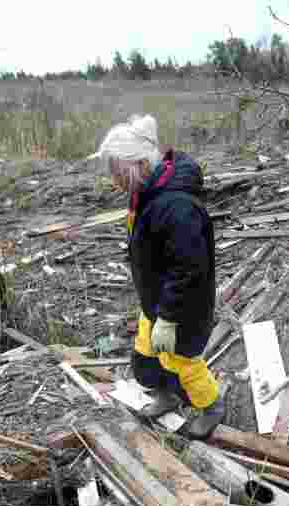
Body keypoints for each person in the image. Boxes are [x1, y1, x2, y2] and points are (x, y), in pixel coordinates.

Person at [90, 115, 225, 439]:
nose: (113, 179)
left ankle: (211, 407)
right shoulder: (147, 192)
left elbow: (189, 269)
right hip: (157, 301)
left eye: (117, 170)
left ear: (137, 164)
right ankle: (167, 396)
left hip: (181, 307)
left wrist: (168, 317)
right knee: (146, 358)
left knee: (183, 363)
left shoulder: (177, 206)